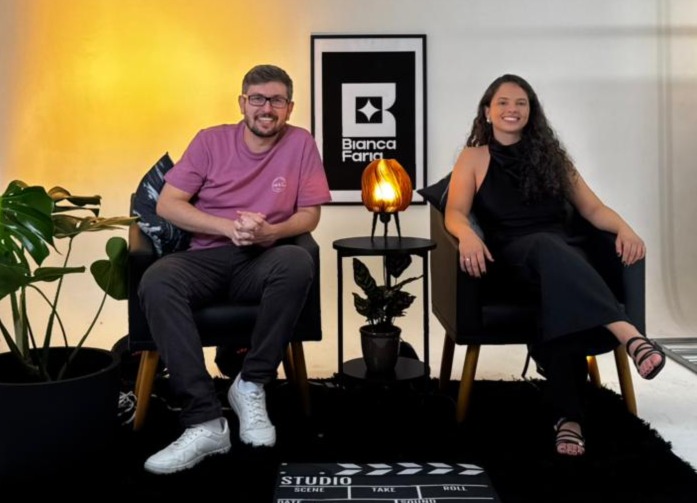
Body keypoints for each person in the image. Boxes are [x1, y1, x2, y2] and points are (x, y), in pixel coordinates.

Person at [444, 74, 666, 457]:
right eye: (503, 102)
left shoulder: (551, 158)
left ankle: (569, 420)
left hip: (562, 258)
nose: (512, 109)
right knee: (547, 248)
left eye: (521, 103)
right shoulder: (474, 157)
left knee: (556, 293)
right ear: (487, 111)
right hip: (510, 260)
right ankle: (628, 334)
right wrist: (466, 236)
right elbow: (455, 212)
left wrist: (624, 228)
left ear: (531, 112)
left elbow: (592, 209)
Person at [138, 64, 331, 474]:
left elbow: (310, 215)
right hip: (205, 258)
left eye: (276, 100)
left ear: (290, 107)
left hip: (261, 259)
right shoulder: (210, 141)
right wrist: (227, 227)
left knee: (297, 260)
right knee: (157, 279)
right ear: (242, 102)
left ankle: (251, 384)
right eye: (257, 98)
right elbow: (168, 204)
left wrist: (270, 232)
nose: (267, 108)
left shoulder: (301, 143)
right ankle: (205, 421)